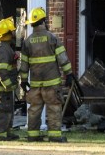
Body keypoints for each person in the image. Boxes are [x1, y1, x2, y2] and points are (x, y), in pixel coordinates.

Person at [19, 7, 74, 143]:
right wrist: (69, 74)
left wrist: (24, 80)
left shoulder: (27, 41)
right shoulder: (52, 38)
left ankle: (33, 135)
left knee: (34, 110)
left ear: (32, 23)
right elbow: (63, 58)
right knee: (54, 108)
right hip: (52, 82)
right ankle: (55, 136)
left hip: (35, 84)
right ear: (44, 21)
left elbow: (24, 64)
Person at [0, 17, 20, 141]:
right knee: (1, 111)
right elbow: (0, 70)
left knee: (7, 110)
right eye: (11, 32)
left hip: (1, 86)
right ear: (7, 34)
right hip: (1, 87)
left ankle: (6, 133)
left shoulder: (1, 44)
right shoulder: (3, 48)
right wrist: (9, 85)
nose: (13, 34)